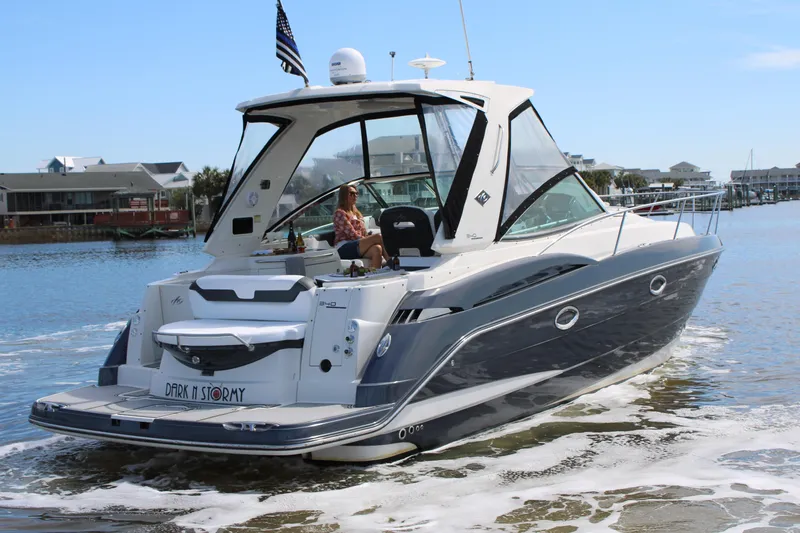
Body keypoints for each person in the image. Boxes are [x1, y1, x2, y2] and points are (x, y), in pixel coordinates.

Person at [333, 184, 390, 268]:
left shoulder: (357, 213)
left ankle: (374, 275)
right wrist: (369, 239)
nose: (355, 196)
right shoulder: (340, 213)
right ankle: (392, 263)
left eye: (356, 193)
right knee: (378, 237)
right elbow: (352, 235)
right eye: (352, 193)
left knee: (377, 249)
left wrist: (367, 238)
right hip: (343, 248)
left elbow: (363, 233)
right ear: (344, 196)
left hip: (357, 244)